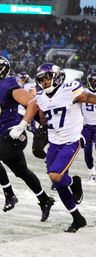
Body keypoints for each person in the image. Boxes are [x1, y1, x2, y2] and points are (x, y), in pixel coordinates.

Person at [0, 55, 55, 222]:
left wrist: (23, 125)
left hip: (15, 134)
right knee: (21, 171)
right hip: (1, 137)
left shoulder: (9, 84)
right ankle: (45, 200)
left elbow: (32, 103)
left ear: (3, 70)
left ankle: (9, 195)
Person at [35, 63, 96, 232]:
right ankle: (78, 218)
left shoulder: (70, 89)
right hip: (54, 142)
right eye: (42, 79)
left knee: (56, 176)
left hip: (72, 140)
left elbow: (90, 98)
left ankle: (74, 183)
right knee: (57, 182)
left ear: (57, 76)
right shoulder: (41, 96)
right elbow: (43, 118)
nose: (45, 81)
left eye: (48, 77)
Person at [81, 72, 96, 182]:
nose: (94, 83)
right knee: (87, 151)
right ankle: (92, 174)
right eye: (92, 81)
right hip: (86, 126)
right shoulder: (82, 92)